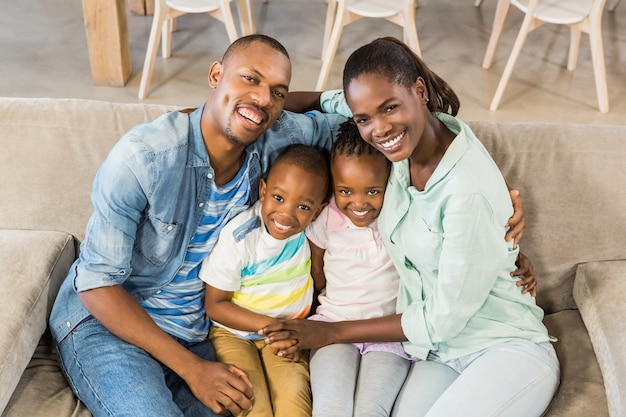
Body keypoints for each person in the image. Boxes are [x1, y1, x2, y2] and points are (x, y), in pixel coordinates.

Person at [48, 34, 348, 417]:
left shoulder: (279, 139)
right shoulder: (144, 158)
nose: (262, 100)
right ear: (216, 74)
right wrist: (192, 369)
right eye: (250, 79)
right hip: (108, 326)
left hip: (198, 333)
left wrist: (426, 115)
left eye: (277, 92)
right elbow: (97, 283)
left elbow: (359, 123)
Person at [261, 37, 559, 417]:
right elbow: (324, 100)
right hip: (438, 353)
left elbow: (441, 318)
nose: (379, 129)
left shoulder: (464, 190)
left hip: (504, 348)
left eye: (389, 108)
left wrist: (332, 332)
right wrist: (220, 112)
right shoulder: (397, 155)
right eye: (364, 118)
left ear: (419, 90)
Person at [200, 144, 330, 417]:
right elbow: (215, 305)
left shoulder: (313, 233)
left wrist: (293, 331)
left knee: (294, 400)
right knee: (251, 401)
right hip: (234, 334)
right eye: (279, 198)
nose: (286, 214)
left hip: (287, 335)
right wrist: (272, 326)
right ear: (263, 191)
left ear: (317, 212)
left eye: (303, 206)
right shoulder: (240, 236)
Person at [305, 120, 412, 417]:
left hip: (389, 335)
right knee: (331, 407)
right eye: (346, 191)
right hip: (332, 324)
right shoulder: (325, 218)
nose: (359, 203)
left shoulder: (402, 216)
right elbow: (316, 271)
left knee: (371, 411)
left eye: (373, 191)